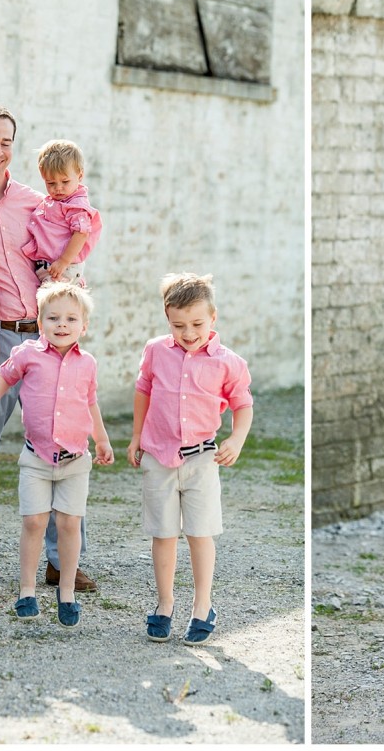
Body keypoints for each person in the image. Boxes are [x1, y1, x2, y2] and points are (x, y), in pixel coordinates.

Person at [0, 105, 97, 591]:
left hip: (44, 337)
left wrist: (71, 296)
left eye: (6, 142)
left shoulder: (40, 200)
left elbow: (79, 237)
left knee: (60, 446)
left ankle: (62, 561)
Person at [0, 282, 113, 627]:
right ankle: (27, 591)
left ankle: (66, 594)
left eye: (70, 319)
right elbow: (4, 377)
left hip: (75, 460)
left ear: (84, 325)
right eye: (53, 318)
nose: (61, 325)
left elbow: (90, 402)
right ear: (40, 320)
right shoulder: (28, 354)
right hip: (36, 458)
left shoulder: (87, 364)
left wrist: (103, 439)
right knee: (33, 521)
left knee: (68, 523)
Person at [126, 273, 253, 646]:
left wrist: (237, 439)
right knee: (163, 534)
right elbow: (143, 391)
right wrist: (136, 436)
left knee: (200, 533)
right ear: (167, 319)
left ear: (213, 318)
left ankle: (202, 606)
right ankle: (165, 604)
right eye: (178, 325)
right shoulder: (156, 351)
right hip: (158, 457)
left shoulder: (228, 362)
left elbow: (243, 404)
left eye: (197, 324)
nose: (188, 332)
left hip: (201, 460)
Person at [22, 139, 102, 286]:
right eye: (51, 183)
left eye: (65, 182)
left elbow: (81, 233)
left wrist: (63, 261)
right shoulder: (54, 202)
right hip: (50, 267)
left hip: (63, 268)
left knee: (56, 303)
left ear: (79, 176)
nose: (58, 188)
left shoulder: (76, 204)